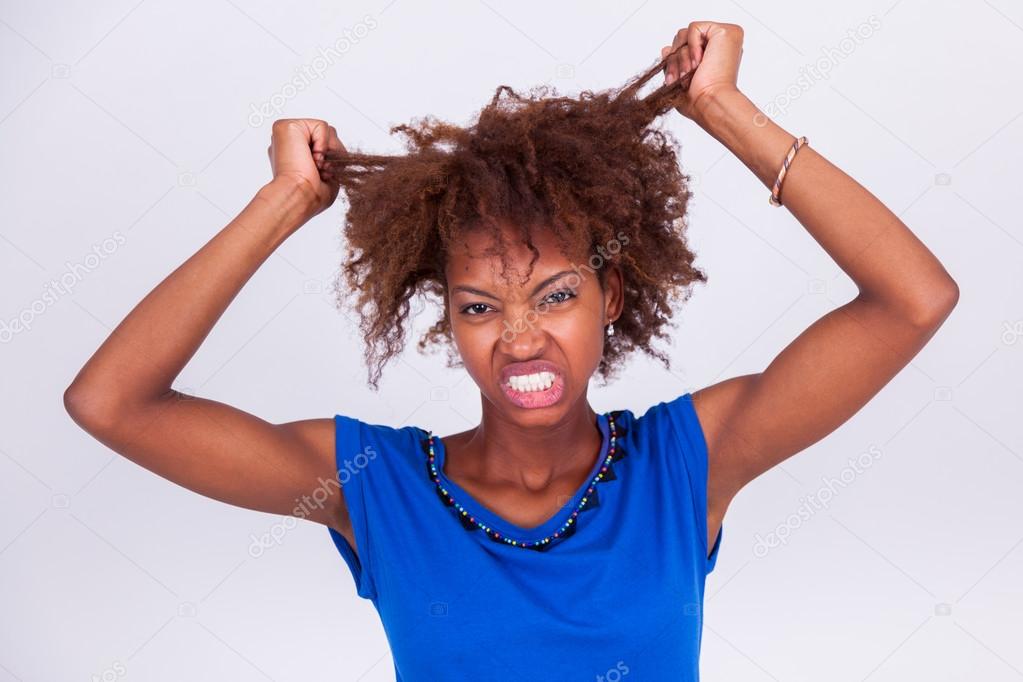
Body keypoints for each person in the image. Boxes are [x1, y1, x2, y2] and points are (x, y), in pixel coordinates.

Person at [64, 21, 958, 681]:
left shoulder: (686, 463)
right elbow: (112, 404)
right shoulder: (376, 484)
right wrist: (285, 203)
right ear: (446, 321)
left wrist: (723, 111)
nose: (521, 336)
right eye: (481, 305)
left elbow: (912, 301)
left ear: (612, 295)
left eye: (558, 295)